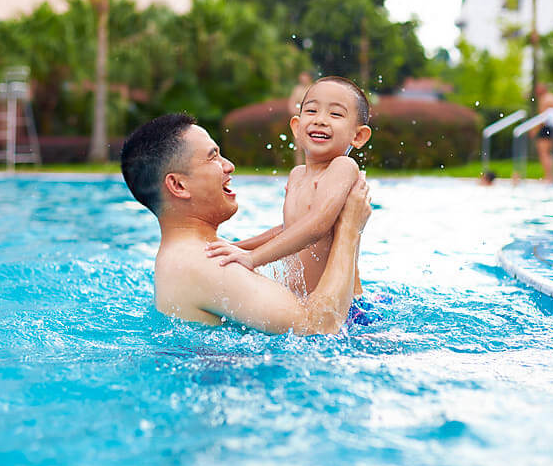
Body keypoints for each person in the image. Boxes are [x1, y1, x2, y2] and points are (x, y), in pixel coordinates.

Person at [120, 113, 372, 335]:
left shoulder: (195, 254)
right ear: (178, 185)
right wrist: (349, 229)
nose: (229, 166)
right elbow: (319, 328)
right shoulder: (206, 264)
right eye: (213, 158)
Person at [206, 76, 372, 299]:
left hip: (347, 310)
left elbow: (317, 226)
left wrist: (254, 258)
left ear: (358, 136)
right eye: (312, 111)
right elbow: (290, 228)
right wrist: (238, 247)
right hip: (305, 304)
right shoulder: (297, 175)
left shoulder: (343, 167)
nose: (320, 120)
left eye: (335, 114)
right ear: (296, 126)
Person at [529, 84, 553, 183]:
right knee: (549, 153)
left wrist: (534, 130)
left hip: (545, 127)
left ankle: (548, 176)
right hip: (552, 127)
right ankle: (551, 176)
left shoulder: (544, 99)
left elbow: (542, 117)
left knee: (543, 153)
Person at [288, 72, 313, 165]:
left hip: (311, 120)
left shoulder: (313, 88)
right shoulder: (297, 89)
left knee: (311, 146)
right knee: (298, 147)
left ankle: (311, 168)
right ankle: (298, 167)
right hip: (300, 120)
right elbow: (291, 104)